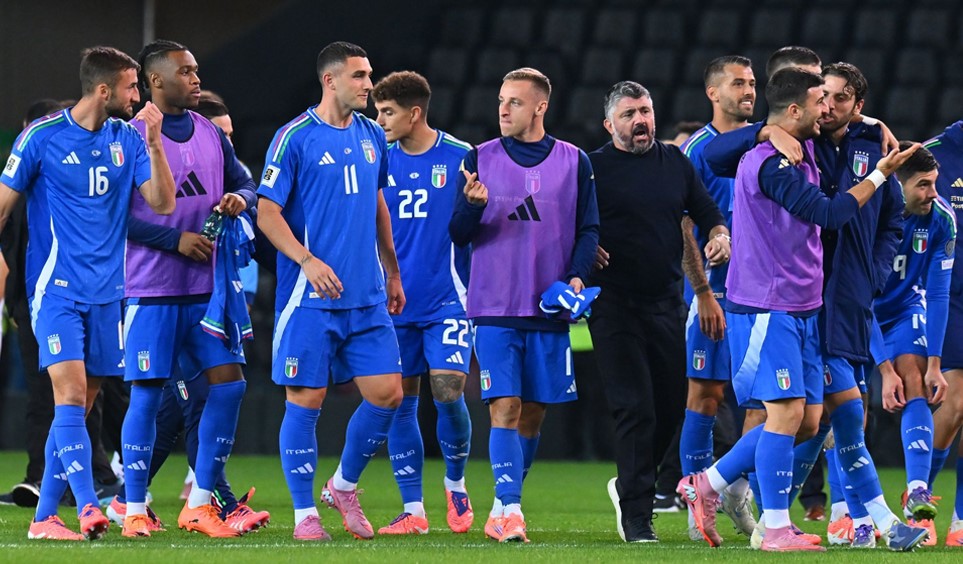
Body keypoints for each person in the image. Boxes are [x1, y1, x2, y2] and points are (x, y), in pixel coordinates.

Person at [678, 67, 924, 552]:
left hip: (818, 306)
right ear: (798, 108)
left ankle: (707, 483)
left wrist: (870, 129)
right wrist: (767, 130)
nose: (827, 108)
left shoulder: (833, 143)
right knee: (810, 413)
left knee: (811, 420)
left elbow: (888, 217)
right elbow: (827, 212)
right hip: (773, 307)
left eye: (838, 100)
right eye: (821, 99)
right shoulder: (773, 158)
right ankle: (793, 526)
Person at [0, 45, 176, 541]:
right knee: (71, 395)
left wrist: (157, 142)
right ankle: (89, 507)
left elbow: (162, 204)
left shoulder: (130, 139)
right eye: (131, 87)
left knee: (77, 407)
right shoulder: (41, 137)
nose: (138, 95)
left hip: (109, 295)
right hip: (55, 292)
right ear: (104, 90)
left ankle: (43, 521)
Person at [112, 40, 261, 538]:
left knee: (231, 383)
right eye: (187, 72)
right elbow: (116, 219)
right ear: (155, 81)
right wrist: (175, 240)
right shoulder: (129, 137)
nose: (197, 79)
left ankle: (199, 503)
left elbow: (247, 183)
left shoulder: (209, 133)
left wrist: (239, 200)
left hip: (207, 292)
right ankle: (133, 508)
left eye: (197, 71)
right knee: (148, 398)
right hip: (152, 291)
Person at [257, 41, 404, 542]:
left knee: (388, 395)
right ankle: (304, 516)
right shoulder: (293, 137)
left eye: (370, 75)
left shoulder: (371, 135)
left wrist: (393, 270)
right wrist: (306, 259)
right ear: (331, 80)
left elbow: (378, 203)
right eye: (361, 76)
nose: (369, 84)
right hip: (310, 298)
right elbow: (267, 212)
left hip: (366, 296)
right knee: (306, 399)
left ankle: (342, 486)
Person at [449, 67, 598, 543]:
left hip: (551, 308)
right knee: (505, 406)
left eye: (514, 101)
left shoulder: (575, 162)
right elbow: (456, 233)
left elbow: (589, 229)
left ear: (539, 106)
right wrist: (471, 206)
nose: (503, 109)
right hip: (495, 305)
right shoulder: (479, 158)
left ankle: (501, 501)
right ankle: (510, 508)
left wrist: (576, 276)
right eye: (500, 100)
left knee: (534, 411)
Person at [587, 80, 729, 543]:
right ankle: (637, 517)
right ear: (610, 124)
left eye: (645, 110)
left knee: (670, 408)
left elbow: (707, 211)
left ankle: (629, 483)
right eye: (629, 114)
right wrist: (585, 250)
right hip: (613, 306)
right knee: (635, 409)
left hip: (666, 303)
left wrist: (718, 234)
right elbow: (567, 224)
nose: (641, 120)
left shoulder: (676, 164)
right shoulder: (592, 169)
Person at [371, 71, 475, 535]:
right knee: (400, 402)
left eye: (387, 112)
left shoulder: (460, 157)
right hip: (393, 302)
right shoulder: (378, 158)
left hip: (447, 298)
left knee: (449, 391)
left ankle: (455, 485)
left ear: (414, 113)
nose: (379, 120)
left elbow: (477, 226)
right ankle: (413, 509)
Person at [677, 55, 758, 540]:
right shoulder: (698, 151)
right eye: (737, 83)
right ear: (713, 92)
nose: (748, 91)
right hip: (717, 294)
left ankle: (732, 493)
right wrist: (704, 291)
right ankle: (695, 506)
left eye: (751, 83)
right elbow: (682, 224)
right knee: (705, 396)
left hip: (764, 296)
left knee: (762, 405)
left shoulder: (764, 147)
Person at [876, 142, 954, 543]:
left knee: (918, 380)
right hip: (858, 311)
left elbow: (938, 294)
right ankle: (842, 511)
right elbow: (857, 296)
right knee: (835, 412)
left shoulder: (941, 218)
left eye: (935, 183)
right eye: (923, 185)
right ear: (898, 184)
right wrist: (883, 369)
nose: (934, 194)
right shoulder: (870, 213)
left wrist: (936, 363)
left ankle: (917, 490)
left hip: (905, 308)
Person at [923, 121, 963, 547]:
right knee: (954, 406)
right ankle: (920, 497)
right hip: (950, 296)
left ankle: (960, 523)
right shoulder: (937, 151)